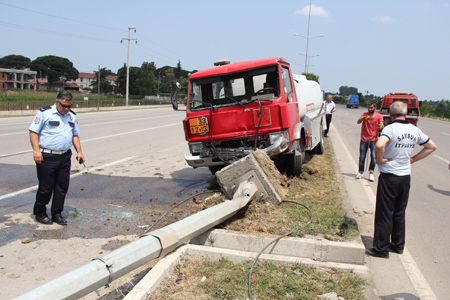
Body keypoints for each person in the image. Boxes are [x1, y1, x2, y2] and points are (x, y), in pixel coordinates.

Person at [366, 101, 437, 258]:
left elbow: (379, 145)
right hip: (405, 176)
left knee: (385, 213)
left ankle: (381, 248)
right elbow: (432, 146)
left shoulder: (390, 128)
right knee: (399, 212)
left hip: (390, 176)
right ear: (406, 113)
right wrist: (413, 159)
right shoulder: (414, 129)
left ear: (390, 114)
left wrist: (379, 159)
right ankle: (398, 245)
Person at [29, 90, 85, 225]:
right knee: (46, 187)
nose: (66, 109)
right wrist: (36, 151)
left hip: (64, 156)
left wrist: (79, 152)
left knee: (62, 187)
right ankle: (40, 212)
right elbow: (33, 132)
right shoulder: (44, 113)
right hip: (47, 156)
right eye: (63, 106)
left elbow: (75, 135)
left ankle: (56, 213)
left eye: (69, 106)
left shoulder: (71, 116)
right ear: (57, 102)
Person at [356, 101, 384, 181]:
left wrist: (380, 126)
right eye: (368, 107)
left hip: (374, 139)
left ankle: (371, 173)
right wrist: (363, 118)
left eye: (371, 107)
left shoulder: (379, 116)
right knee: (362, 157)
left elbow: (382, 125)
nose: (370, 109)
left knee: (374, 157)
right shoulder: (364, 114)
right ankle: (360, 172)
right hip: (364, 139)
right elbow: (358, 122)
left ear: (375, 107)